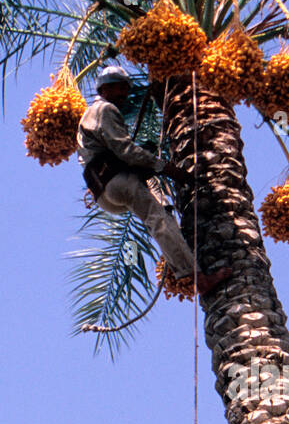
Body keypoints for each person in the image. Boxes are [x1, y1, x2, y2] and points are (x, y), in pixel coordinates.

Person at [77, 65, 229, 293]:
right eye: (121, 88)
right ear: (105, 88)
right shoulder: (105, 109)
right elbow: (125, 150)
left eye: (127, 89)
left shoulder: (87, 118)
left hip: (104, 192)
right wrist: (166, 168)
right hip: (117, 181)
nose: (125, 95)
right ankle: (200, 279)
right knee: (159, 220)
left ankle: (183, 261)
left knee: (157, 216)